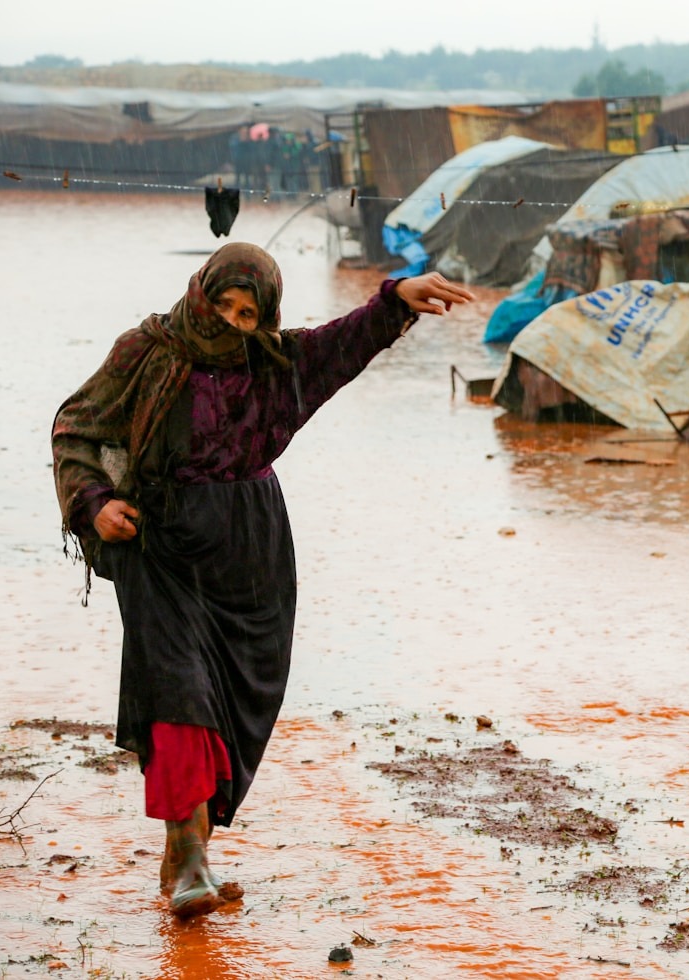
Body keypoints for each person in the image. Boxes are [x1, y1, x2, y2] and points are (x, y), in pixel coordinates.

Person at [51, 243, 474, 918]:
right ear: (201, 295)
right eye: (223, 306)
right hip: (162, 547)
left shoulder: (270, 365)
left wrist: (394, 303)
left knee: (231, 708)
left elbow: (338, 347)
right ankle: (189, 859)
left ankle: (188, 846)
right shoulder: (147, 350)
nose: (232, 323)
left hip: (250, 555)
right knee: (178, 695)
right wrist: (96, 503)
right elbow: (76, 427)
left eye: (249, 313)